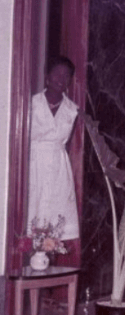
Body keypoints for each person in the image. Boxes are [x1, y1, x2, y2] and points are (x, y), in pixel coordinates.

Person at [27, 56, 80, 252]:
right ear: (47, 77)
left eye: (66, 76)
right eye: (57, 73)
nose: (61, 79)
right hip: (34, 165)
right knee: (32, 216)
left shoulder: (72, 110)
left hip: (58, 169)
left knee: (55, 225)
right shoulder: (31, 104)